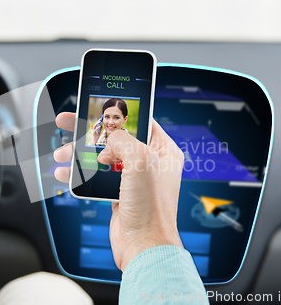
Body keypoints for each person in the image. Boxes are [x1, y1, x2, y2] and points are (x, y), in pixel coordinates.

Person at [54, 112, 209, 304]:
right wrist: (141, 239)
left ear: (124, 120)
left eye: (116, 117)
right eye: (107, 117)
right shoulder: (100, 135)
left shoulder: (128, 140)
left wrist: (143, 238)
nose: (110, 122)